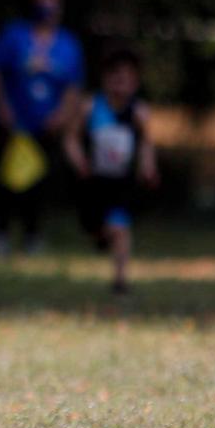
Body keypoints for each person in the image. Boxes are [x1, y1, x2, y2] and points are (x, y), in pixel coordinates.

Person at [0, 0, 86, 255]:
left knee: (39, 184)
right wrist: (2, 107)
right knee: (5, 182)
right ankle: (0, 235)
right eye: (43, 7)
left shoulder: (68, 45)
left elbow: (74, 87)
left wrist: (62, 116)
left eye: (52, 7)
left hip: (46, 129)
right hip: (11, 126)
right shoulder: (15, 36)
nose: (47, 13)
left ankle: (32, 236)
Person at [64, 47, 159, 294]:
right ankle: (101, 237)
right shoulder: (90, 107)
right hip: (95, 182)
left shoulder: (139, 112)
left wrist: (148, 167)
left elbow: (147, 144)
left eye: (127, 79)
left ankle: (120, 279)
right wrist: (80, 162)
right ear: (105, 79)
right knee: (99, 228)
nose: (121, 84)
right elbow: (71, 139)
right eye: (115, 77)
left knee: (121, 227)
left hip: (122, 182)